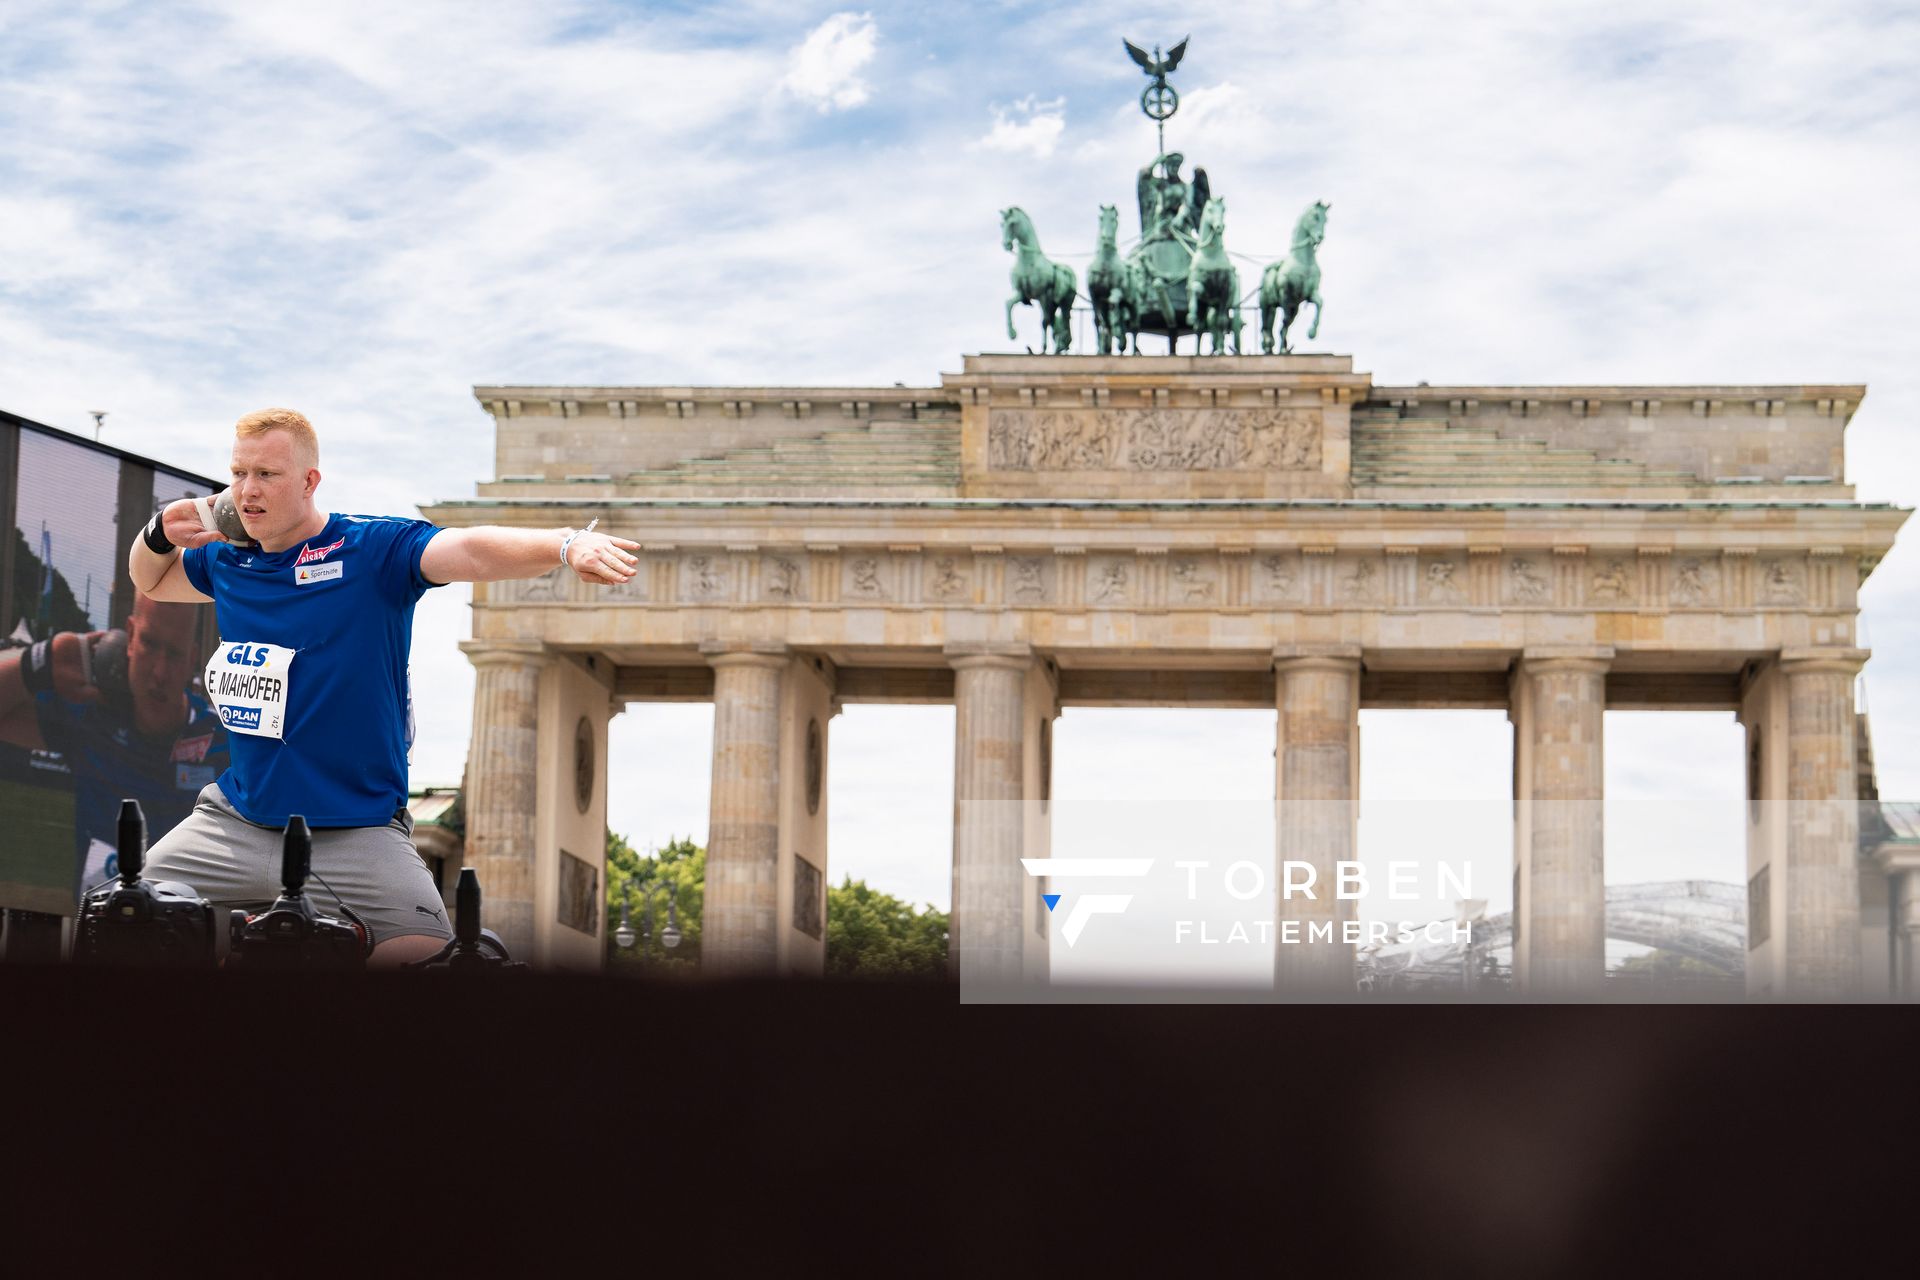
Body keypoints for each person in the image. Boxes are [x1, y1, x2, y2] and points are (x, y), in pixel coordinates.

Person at [128, 406, 638, 966]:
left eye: (267, 475)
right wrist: (157, 531)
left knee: (431, 959)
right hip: (235, 822)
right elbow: (151, 578)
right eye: (238, 473)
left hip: (355, 829)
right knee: (119, 915)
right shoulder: (227, 560)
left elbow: (467, 548)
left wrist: (564, 546)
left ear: (309, 481)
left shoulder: (372, 549)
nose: (248, 491)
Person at [0, 592, 229, 889]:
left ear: (192, 659)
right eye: (149, 643)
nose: (159, 672)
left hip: (178, 931)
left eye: (173, 654)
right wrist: (41, 662)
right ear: (129, 638)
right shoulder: (92, 719)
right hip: (98, 928)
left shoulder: (222, 743)